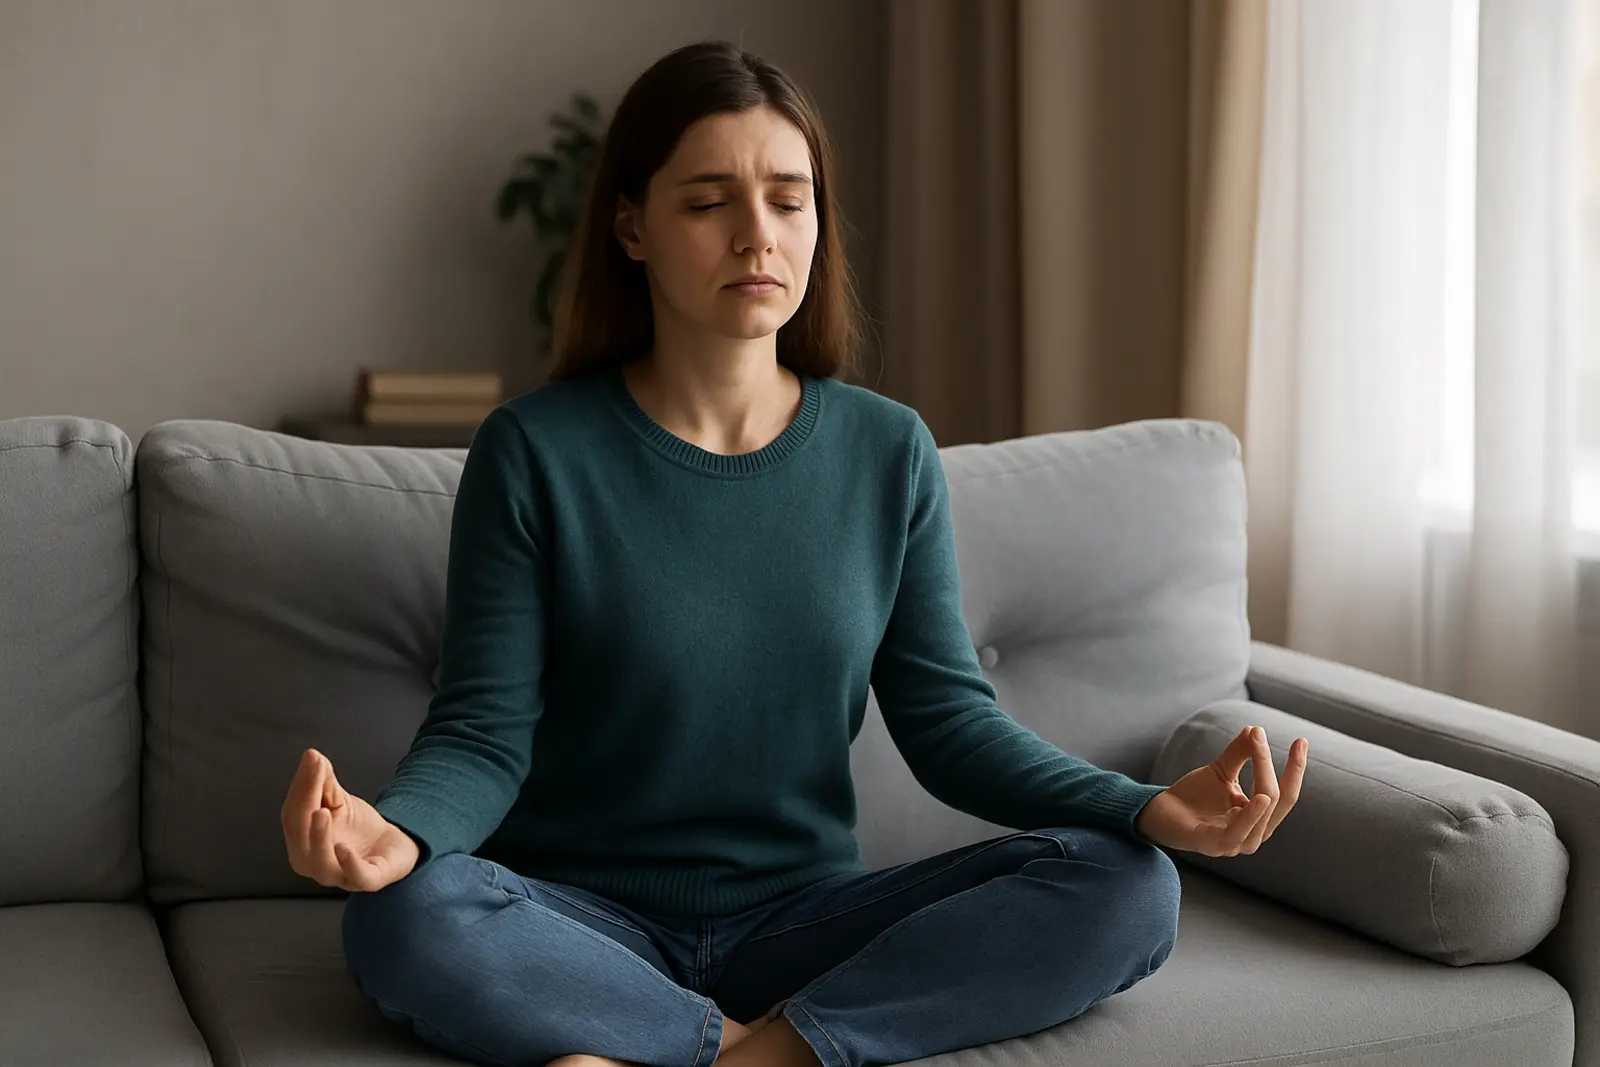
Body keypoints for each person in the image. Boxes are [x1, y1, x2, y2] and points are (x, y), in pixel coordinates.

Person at [280, 39, 1309, 1067]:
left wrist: (1144, 805)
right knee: (404, 912)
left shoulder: (885, 449)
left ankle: (716, 1050)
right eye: (707, 202)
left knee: (1128, 885)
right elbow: (482, 732)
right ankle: (742, 1044)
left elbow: (951, 724)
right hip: (579, 918)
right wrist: (398, 833)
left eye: (787, 198)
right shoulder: (536, 450)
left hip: (801, 923)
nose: (755, 236)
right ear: (631, 225)